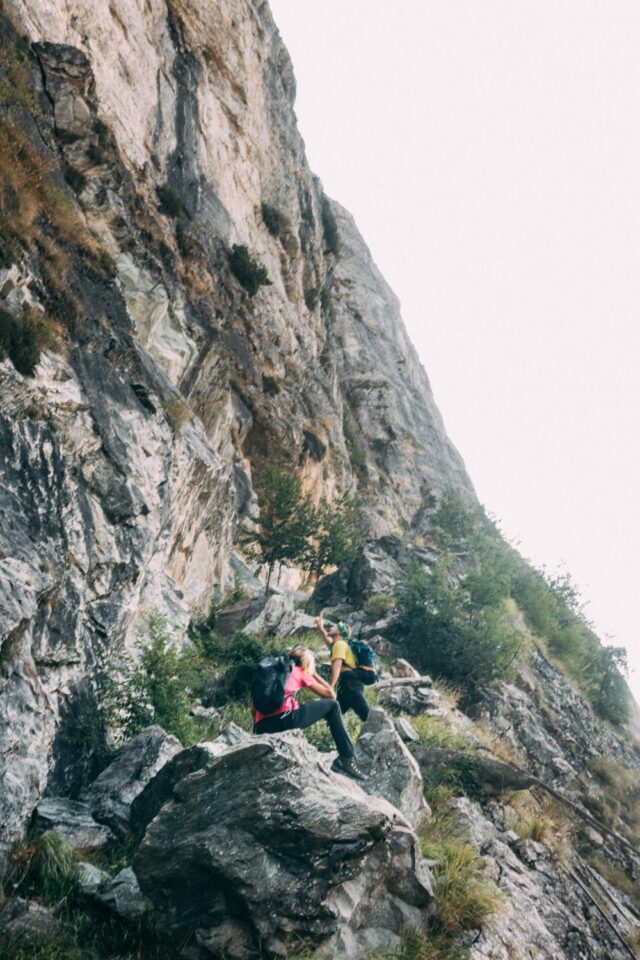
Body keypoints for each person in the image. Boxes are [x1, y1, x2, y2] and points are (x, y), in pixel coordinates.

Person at [253, 645, 365, 781]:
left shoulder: (274, 671)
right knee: (333, 706)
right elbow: (331, 695)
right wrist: (313, 673)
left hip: (261, 726)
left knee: (299, 706)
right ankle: (346, 758)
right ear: (306, 662)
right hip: (286, 720)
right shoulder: (299, 671)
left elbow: (253, 710)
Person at [315, 616, 370, 722]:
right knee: (333, 715)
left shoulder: (340, 644)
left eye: (335, 627)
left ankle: (385, 732)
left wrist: (330, 686)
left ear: (339, 633)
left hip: (350, 682)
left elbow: (337, 665)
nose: (331, 627)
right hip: (347, 684)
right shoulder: (339, 644)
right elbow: (328, 642)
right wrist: (320, 627)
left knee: (366, 715)